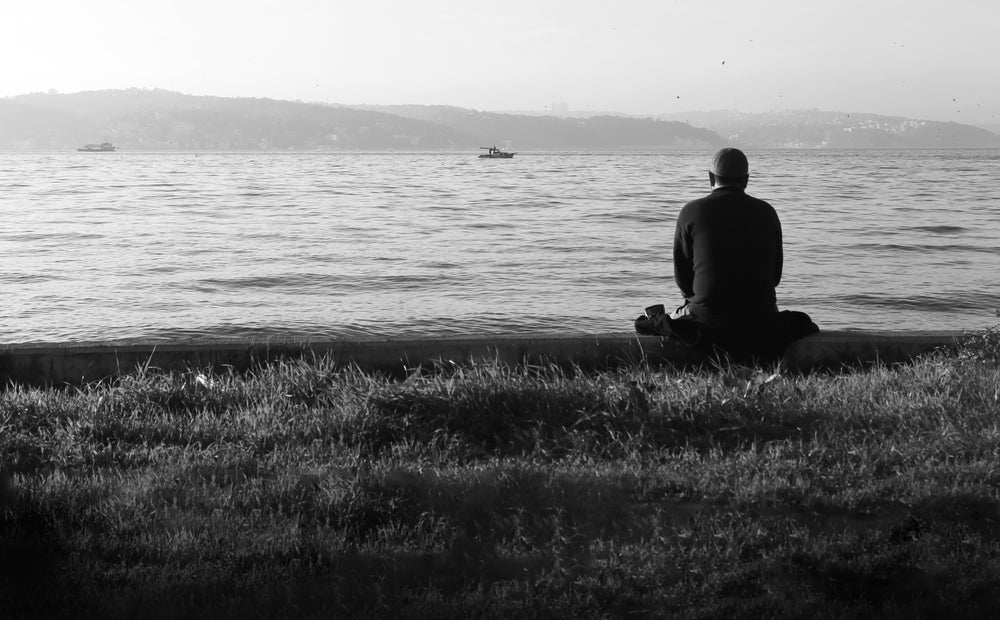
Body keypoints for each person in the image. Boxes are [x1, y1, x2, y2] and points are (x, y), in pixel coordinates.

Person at [636, 147, 817, 356]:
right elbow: (774, 277)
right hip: (760, 321)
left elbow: (684, 280)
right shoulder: (767, 212)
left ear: (710, 177)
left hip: (707, 321)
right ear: (746, 180)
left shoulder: (691, 212)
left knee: (674, 317)